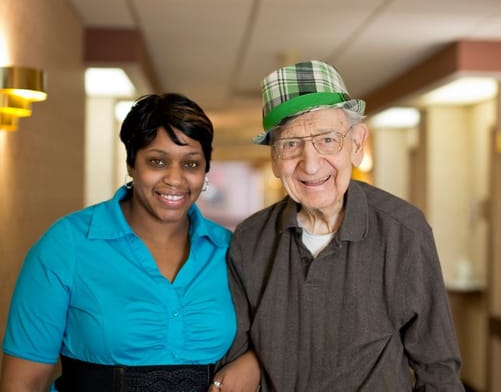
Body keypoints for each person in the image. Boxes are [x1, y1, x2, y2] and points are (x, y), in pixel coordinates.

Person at [215, 60, 465, 391]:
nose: (312, 163)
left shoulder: (404, 231)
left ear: (357, 144)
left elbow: (438, 367)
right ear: (275, 159)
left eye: (327, 140)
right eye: (291, 144)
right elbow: (237, 357)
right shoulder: (250, 240)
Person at [0, 93, 258, 392]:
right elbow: (23, 383)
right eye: (157, 161)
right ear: (132, 164)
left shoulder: (230, 250)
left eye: (191, 164)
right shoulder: (67, 245)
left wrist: (253, 362)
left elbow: (277, 331)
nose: (175, 179)